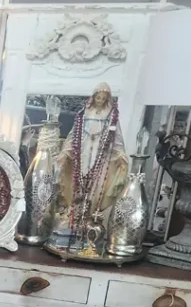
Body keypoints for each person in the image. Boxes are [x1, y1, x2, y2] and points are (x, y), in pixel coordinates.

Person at [47, 82, 129, 257]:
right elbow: (73, 138)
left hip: (100, 159)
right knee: (76, 186)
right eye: (98, 97)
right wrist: (65, 154)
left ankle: (89, 223)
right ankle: (72, 220)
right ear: (93, 97)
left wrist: (120, 155)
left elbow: (116, 140)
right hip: (82, 158)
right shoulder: (83, 114)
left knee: (96, 189)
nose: (100, 101)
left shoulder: (111, 117)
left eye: (103, 98)